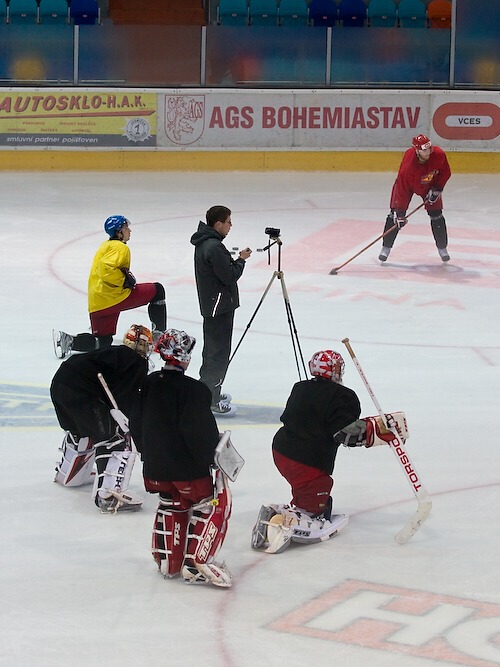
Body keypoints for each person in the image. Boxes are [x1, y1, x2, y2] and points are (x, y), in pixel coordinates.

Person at [251, 349, 405, 554]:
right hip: (305, 461)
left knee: (305, 487)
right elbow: (346, 433)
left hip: (280, 450)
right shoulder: (343, 396)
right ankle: (298, 519)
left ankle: (280, 512)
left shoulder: (300, 387)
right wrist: (376, 430)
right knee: (317, 490)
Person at [130, 329, 233, 588]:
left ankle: (168, 560)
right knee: (212, 504)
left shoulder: (149, 383)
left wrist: (148, 454)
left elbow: (135, 423)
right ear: (185, 356)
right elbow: (199, 433)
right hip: (187, 472)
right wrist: (210, 458)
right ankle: (196, 563)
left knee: (171, 503)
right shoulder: (194, 390)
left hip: (154, 471)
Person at [50, 324, 152, 513]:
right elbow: (123, 402)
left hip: (59, 384)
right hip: (82, 393)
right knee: (114, 438)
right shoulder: (136, 362)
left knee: (81, 432)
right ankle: (109, 495)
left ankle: (70, 475)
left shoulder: (113, 353)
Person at [53, 215, 167, 358]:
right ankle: (159, 338)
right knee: (158, 290)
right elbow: (106, 269)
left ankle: (70, 341)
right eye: (126, 228)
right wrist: (123, 280)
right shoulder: (120, 247)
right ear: (119, 232)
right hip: (115, 297)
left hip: (98, 304)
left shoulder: (105, 245)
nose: (129, 230)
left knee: (103, 342)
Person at [190, 205, 252, 417]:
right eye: (228, 222)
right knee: (218, 353)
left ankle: (208, 392)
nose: (230, 226)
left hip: (213, 305)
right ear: (218, 224)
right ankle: (212, 399)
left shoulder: (206, 242)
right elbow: (229, 276)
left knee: (211, 351)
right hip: (219, 307)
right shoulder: (214, 247)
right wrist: (241, 260)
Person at [378, 134, 452, 263]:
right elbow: (401, 188)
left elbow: (445, 172)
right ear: (417, 151)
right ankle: (386, 247)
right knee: (394, 217)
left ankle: (442, 248)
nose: (428, 152)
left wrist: (437, 189)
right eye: (424, 150)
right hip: (407, 186)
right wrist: (399, 212)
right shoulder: (408, 167)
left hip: (429, 185)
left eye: (429, 148)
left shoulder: (439, 155)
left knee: (437, 215)